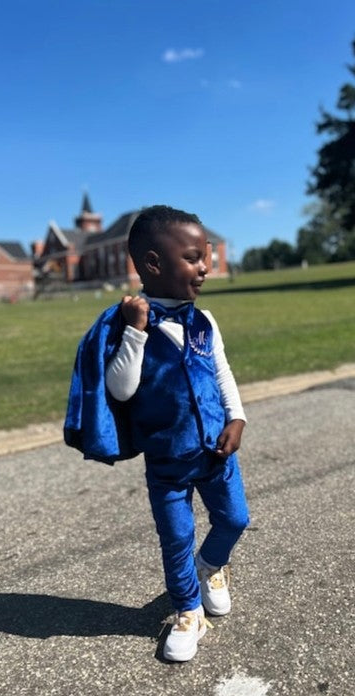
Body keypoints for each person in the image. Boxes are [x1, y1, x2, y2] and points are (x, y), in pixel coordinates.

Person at [64, 205, 249, 662]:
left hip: (216, 451)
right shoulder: (131, 324)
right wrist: (136, 332)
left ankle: (212, 564)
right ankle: (188, 611)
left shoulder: (205, 321)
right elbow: (120, 389)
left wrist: (237, 417)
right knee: (176, 539)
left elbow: (221, 373)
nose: (205, 268)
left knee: (234, 519)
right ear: (153, 264)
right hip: (167, 459)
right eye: (193, 258)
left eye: (206, 257)